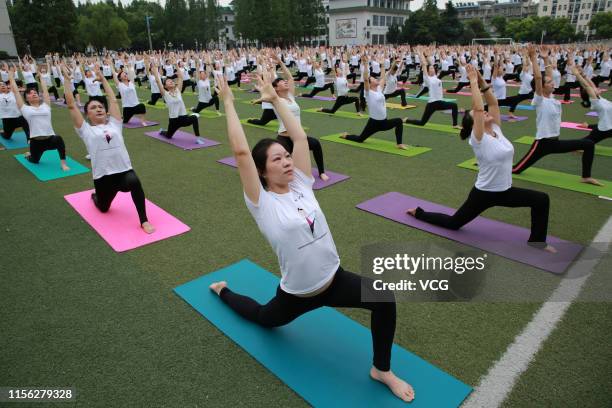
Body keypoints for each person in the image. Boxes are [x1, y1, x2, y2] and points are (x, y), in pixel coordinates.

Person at [209, 69, 415, 403]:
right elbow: (241, 152)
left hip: (334, 280)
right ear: (262, 171)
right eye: (278, 159)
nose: (287, 162)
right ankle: (223, 292)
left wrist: (277, 99)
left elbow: (301, 138)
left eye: (287, 156)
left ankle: (382, 369)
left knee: (384, 299)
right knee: (264, 319)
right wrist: (229, 103)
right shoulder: (262, 203)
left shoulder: (303, 183)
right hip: (297, 294)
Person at [407, 64, 555, 252]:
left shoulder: (496, 129)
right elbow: (478, 108)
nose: (485, 112)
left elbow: (492, 104)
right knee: (454, 223)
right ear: (474, 124)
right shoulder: (477, 139)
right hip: (484, 193)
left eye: (485, 113)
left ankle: (537, 241)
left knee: (541, 199)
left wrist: (481, 79)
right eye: (480, 115)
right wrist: (473, 82)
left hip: (505, 191)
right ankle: (419, 213)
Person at [63, 64, 155, 234]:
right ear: (87, 115)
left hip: (123, 172)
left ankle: (144, 220)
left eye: (100, 107)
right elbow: (70, 105)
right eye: (93, 108)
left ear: (106, 112)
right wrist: (67, 82)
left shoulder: (115, 124)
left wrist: (104, 79)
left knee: (134, 181)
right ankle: (96, 197)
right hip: (103, 177)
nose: (98, 109)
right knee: (104, 208)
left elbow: (113, 100)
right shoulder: (86, 130)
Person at [512, 46, 601, 186]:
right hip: (542, 143)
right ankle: (489, 165)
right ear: (541, 88)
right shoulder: (539, 100)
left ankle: (586, 177)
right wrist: (534, 59)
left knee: (589, 144)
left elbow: (549, 74)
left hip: (555, 142)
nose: (553, 82)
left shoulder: (551, 98)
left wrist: (546, 58)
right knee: (516, 170)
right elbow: (538, 78)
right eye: (549, 83)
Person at [269, 57, 330, 181]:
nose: (285, 81)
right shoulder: (276, 100)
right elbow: (268, 86)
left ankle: (321, 172)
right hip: (284, 137)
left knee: (316, 144)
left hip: (298, 137)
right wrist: (268, 70)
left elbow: (290, 78)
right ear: (276, 88)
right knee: (276, 157)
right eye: (281, 81)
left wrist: (280, 62)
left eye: (284, 80)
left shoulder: (291, 96)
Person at [8, 65, 69, 171]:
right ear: (26, 98)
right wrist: (11, 77)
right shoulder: (25, 108)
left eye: (35, 92)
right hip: (36, 142)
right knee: (34, 160)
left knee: (59, 139)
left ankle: (63, 163)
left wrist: (41, 78)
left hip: (50, 139)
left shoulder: (46, 106)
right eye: (30, 94)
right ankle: (29, 155)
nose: (34, 94)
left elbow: (45, 91)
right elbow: (16, 92)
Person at [340, 56, 409, 150]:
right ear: (370, 83)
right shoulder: (368, 93)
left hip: (384, 122)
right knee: (360, 139)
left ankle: (399, 144)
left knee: (399, 121)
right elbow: (365, 79)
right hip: (373, 123)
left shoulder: (379, 89)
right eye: (373, 79)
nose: (376, 79)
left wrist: (384, 64)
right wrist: (365, 65)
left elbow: (385, 75)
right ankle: (346, 136)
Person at [404, 50, 461, 129]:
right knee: (422, 123)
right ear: (428, 71)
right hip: (432, 104)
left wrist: (427, 56)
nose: (432, 69)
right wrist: (420, 54)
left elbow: (431, 63)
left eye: (433, 69)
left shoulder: (436, 77)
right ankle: (407, 120)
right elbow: (424, 65)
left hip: (440, 102)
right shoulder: (427, 79)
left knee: (454, 106)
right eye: (430, 69)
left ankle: (455, 125)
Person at [151, 61, 204, 143]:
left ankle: (198, 138)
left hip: (183, 117)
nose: (171, 81)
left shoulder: (178, 90)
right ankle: (162, 131)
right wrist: (155, 72)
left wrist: (176, 65)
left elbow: (181, 77)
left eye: (171, 81)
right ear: (165, 86)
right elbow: (158, 82)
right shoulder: (165, 94)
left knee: (194, 118)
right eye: (168, 81)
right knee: (168, 136)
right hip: (174, 120)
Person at [573, 65, 611, 146]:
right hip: (604, 129)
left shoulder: (600, 98)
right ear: (590, 94)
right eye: (593, 90)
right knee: (584, 143)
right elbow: (587, 86)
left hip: (608, 126)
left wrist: (583, 74)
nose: (596, 88)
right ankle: (574, 145)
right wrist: (577, 75)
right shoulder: (596, 102)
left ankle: (588, 126)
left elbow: (591, 84)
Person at [111, 60, 151, 126]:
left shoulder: (131, 83)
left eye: (125, 74)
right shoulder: (120, 85)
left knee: (142, 106)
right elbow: (114, 75)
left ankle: (143, 121)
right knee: (125, 122)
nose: (125, 75)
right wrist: (111, 65)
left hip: (136, 105)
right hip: (127, 107)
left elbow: (130, 73)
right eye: (123, 74)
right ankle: (122, 116)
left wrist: (128, 66)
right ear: (120, 78)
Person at [0, 63, 30, 144]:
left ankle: (29, 139)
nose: (2, 86)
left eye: (3, 85)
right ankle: (3, 133)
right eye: (0, 85)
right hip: (7, 120)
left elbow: (12, 80)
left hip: (17, 118)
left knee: (24, 118)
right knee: (7, 136)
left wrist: (8, 71)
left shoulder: (13, 92)